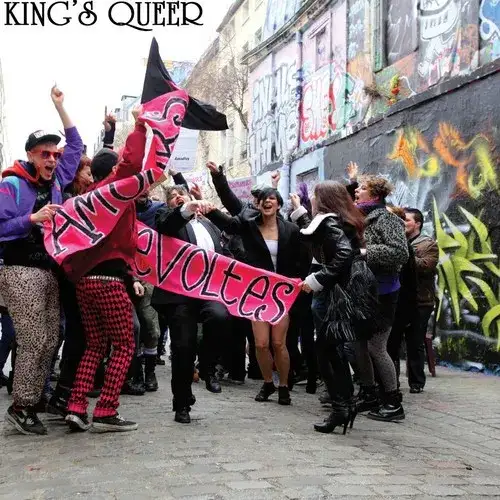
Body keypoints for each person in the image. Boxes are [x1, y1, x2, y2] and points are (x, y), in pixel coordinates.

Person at [0, 86, 83, 435]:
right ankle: (21, 406)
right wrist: (31, 219)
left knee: (51, 339)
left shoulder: (57, 181)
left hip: (48, 270)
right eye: (44, 154)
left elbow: (76, 146)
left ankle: (33, 399)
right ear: (31, 155)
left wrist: (60, 106)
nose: (51, 159)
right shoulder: (12, 185)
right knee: (34, 339)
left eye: (54, 154)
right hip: (19, 269)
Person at [62, 106, 146, 433]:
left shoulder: (84, 198)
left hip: (85, 282)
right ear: (112, 173)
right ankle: (106, 409)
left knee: (95, 345)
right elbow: (130, 163)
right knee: (124, 345)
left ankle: (76, 406)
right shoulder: (113, 192)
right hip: (110, 281)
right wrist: (139, 126)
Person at [206, 188, 303, 406]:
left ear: (278, 204)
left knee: (278, 343)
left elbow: (301, 258)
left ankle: (283, 386)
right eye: (263, 199)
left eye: (272, 198)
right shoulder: (249, 226)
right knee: (260, 344)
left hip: (281, 293)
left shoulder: (291, 230)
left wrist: (300, 283)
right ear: (257, 205)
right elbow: (229, 221)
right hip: (257, 292)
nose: (267, 202)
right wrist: (211, 207)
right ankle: (268, 383)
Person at [291, 181, 365, 433]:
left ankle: (341, 407)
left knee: (327, 351)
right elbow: (315, 236)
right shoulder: (339, 220)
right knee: (332, 350)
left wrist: (318, 279)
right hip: (343, 293)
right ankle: (344, 406)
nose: (311, 199)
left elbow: (342, 253)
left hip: (338, 295)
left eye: (314, 195)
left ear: (322, 200)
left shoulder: (330, 222)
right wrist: (300, 213)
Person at [152, 186, 231, 424]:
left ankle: (207, 365)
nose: (178, 197)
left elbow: (225, 254)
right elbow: (166, 225)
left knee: (220, 317)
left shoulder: (209, 225)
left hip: (209, 290)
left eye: (182, 195)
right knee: (183, 347)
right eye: (172, 196)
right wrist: (184, 208)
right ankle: (182, 402)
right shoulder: (167, 219)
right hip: (179, 293)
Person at [354, 175, 409, 422]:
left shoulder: (387, 219)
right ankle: (369, 393)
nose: (357, 191)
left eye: (362, 188)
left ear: (375, 195)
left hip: (384, 292)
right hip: (363, 291)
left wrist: (365, 252)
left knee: (377, 347)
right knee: (358, 344)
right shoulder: (360, 217)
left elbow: (400, 253)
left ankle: (393, 402)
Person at [390, 208, 438, 393]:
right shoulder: (398, 241)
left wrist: (406, 255)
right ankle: (391, 382)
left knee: (415, 342)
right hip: (399, 299)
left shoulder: (428, 244)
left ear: (417, 223)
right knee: (392, 342)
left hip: (420, 301)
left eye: (407, 220)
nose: (403, 223)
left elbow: (427, 265)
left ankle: (417, 382)